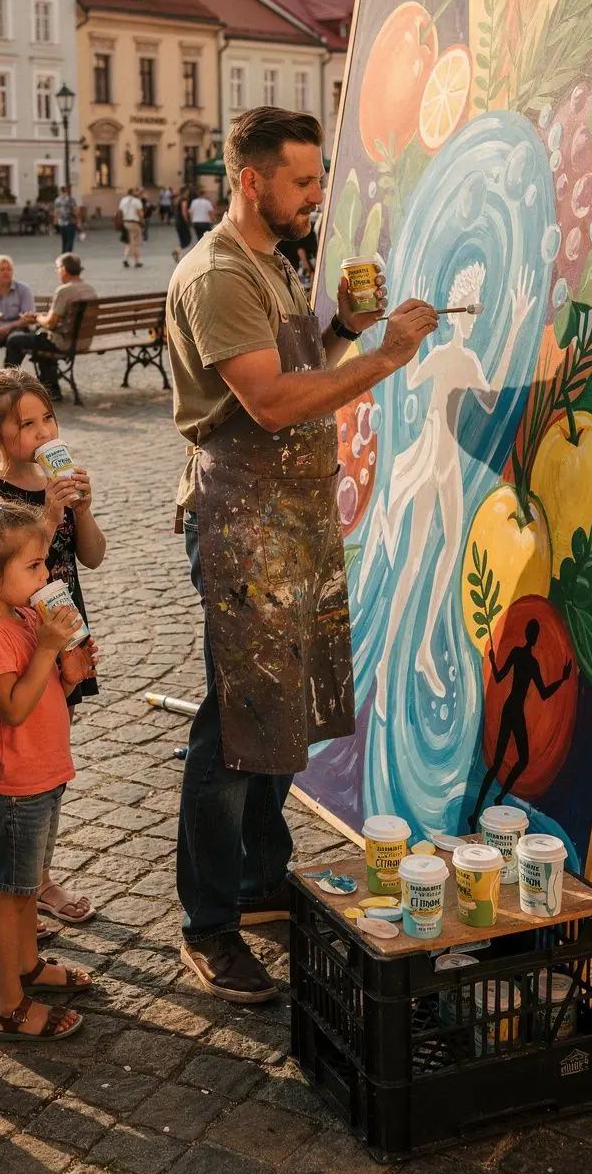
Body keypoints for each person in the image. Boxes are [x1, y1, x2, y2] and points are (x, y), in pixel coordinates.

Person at [166, 106, 438, 1002]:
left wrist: (347, 332)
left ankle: (258, 882)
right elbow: (274, 404)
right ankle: (209, 924)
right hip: (242, 522)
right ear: (252, 181)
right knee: (233, 728)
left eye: (319, 178)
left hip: (292, 518)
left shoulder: (277, 261)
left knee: (281, 717)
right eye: (305, 180)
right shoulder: (219, 275)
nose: (319, 194)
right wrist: (389, 356)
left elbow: (301, 369)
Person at [357, 262, 535, 715]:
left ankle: (421, 651)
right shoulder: (442, 355)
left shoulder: (469, 360)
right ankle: (386, 662)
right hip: (431, 452)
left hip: (449, 460)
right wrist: (413, 342)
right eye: (470, 311)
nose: (473, 319)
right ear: (457, 313)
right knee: (416, 559)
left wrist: (516, 327)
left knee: (450, 549)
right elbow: (411, 379)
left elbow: (490, 398)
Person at [0, 502, 96, 1038]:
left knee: (27, 887)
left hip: (42, 772)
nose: (45, 575)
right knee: (6, 897)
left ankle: (28, 965)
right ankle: (6, 1005)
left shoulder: (25, 616)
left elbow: (42, 693)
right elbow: (11, 709)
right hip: (12, 784)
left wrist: (70, 673)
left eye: (44, 563)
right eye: (33, 566)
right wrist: (48, 649)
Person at [0, 369, 105, 925]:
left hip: (62, 629)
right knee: (8, 760)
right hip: (17, 635)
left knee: (49, 754)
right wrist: (49, 512)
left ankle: (37, 879)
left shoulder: (59, 479)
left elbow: (92, 556)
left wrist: (82, 510)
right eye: (26, 424)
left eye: (47, 417)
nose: (44, 431)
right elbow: (9, 569)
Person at [469, 620, 573, 829]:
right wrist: (562, 679)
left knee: (505, 762)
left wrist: (493, 660)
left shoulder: (521, 655)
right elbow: (542, 691)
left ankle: (490, 802)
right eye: (535, 633)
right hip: (513, 711)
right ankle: (486, 805)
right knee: (506, 762)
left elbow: (500, 676)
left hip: (511, 709)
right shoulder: (529, 661)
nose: (534, 636)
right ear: (532, 635)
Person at [4, 253, 97, 401]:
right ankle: (51, 388)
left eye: (57, 268)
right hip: (84, 341)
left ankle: (7, 387)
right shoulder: (89, 289)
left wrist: (36, 317)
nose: (57, 272)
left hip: (65, 343)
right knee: (43, 340)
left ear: (64, 270)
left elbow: (50, 323)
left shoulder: (64, 290)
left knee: (14, 340)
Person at [118, 188, 144, 269]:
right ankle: (137, 261)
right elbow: (140, 213)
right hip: (134, 223)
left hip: (125, 222)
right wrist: (142, 221)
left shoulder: (123, 200)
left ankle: (125, 259)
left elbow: (120, 212)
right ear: (133, 193)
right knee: (136, 242)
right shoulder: (137, 201)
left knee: (129, 242)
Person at [53, 186, 79, 252]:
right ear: (67, 191)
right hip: (70, 221)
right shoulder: (71, 199)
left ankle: (64, 253)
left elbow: (56, 212)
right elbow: (76, 211)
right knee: (70, 239)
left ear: (60, 191)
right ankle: (68, 253)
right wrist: (78, 220)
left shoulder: (57, 200)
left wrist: (55, 221)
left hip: (61, 222)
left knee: (64, 240)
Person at [172, 186, 193, 264]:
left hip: (178, 222)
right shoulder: (184, 200)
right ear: (185, 192)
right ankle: (178, 252)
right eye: (187, 191)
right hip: (182, 223)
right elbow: (184, 212)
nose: (188, 193)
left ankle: (178, 254)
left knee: (184, 240)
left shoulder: (178, 200)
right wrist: (187, 221)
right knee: (188, 239)